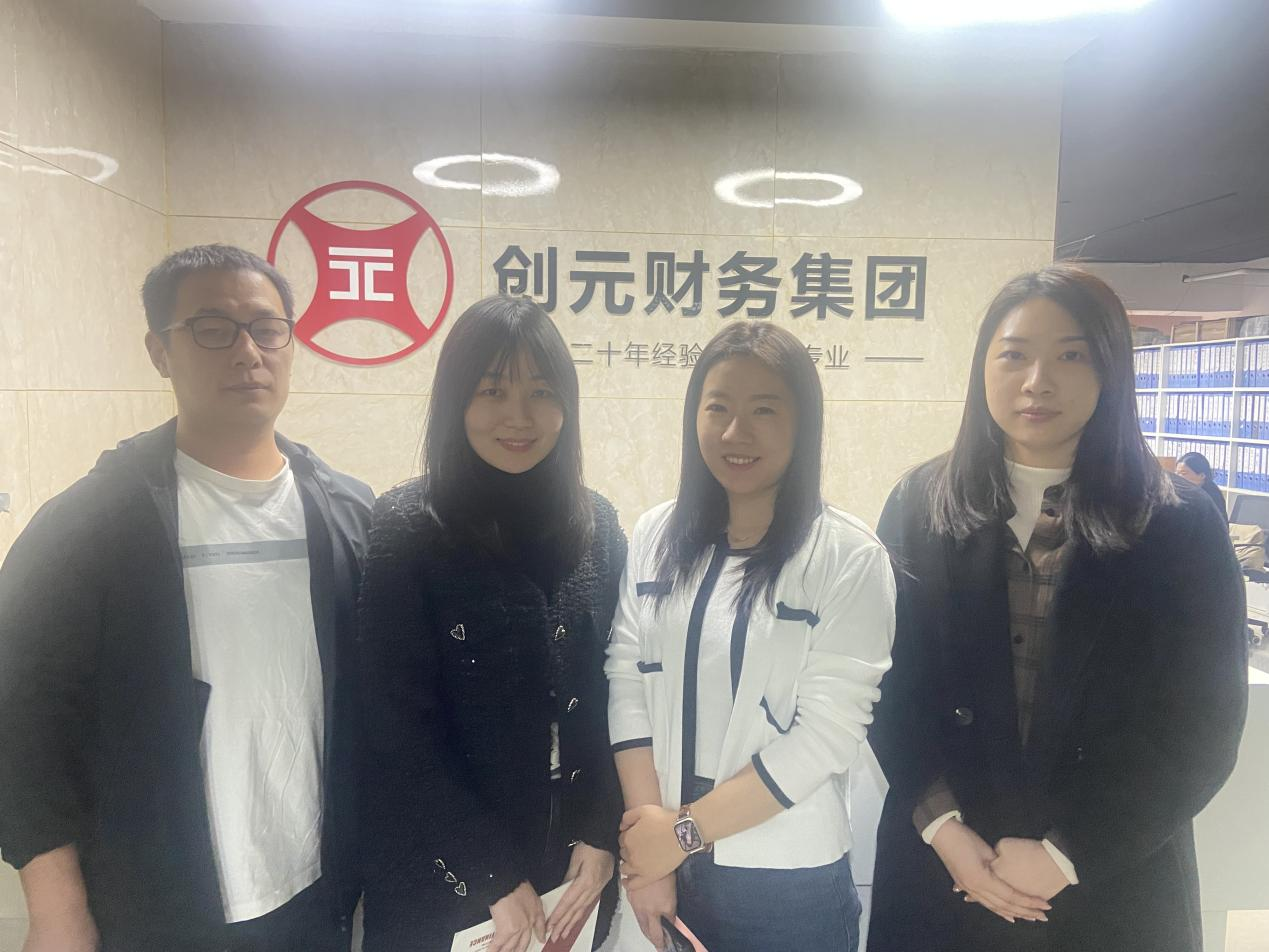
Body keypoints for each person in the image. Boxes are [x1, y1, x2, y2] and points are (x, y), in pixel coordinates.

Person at [0, 244, 373, 952]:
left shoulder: (349, 515)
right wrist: (57, 911)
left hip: (317, 891)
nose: (247, 352)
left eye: (267, 329)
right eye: (212, 328)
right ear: (160, 352)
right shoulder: (88, 525)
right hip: (154, 899)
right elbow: (21, 724)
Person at [867, 265, 1248, 952]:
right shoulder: (919, 505)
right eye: (1014, 355)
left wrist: (1068, 854)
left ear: (1110, 371)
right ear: (983, 367)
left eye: (1071, 356)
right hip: (949, 871)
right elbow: (888, 686)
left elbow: (1202, 723)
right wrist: (944, 830)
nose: (1037, 381)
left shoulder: (1178, 523)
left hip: (1112, 876)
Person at [607, 322, 896, 952]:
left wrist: (680, 835)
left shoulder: (848, 556)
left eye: (764, 410)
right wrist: (650, 852)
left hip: (784, 885)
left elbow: (828, 733)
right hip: (660, 857)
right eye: (718, 408)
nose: (736, 433)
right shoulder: (656, 535)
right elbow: (626, 677)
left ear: (803, 424)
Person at [358, 295, 626, 952]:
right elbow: (394, 729)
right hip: (442, 875)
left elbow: (617, 693)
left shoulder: (597, 525)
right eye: (492, 391)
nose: (518, 416)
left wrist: (600, 832)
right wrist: (488, 875)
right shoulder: (406, 528)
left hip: (571, 869)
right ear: (456, 400)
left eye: (541, 392)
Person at [1176, 451, 1228, 521]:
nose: (1178, 477)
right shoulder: (1181, 492)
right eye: (1177, 473)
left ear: (1202, 475)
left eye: (1183, 473)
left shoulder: (1210, 496)